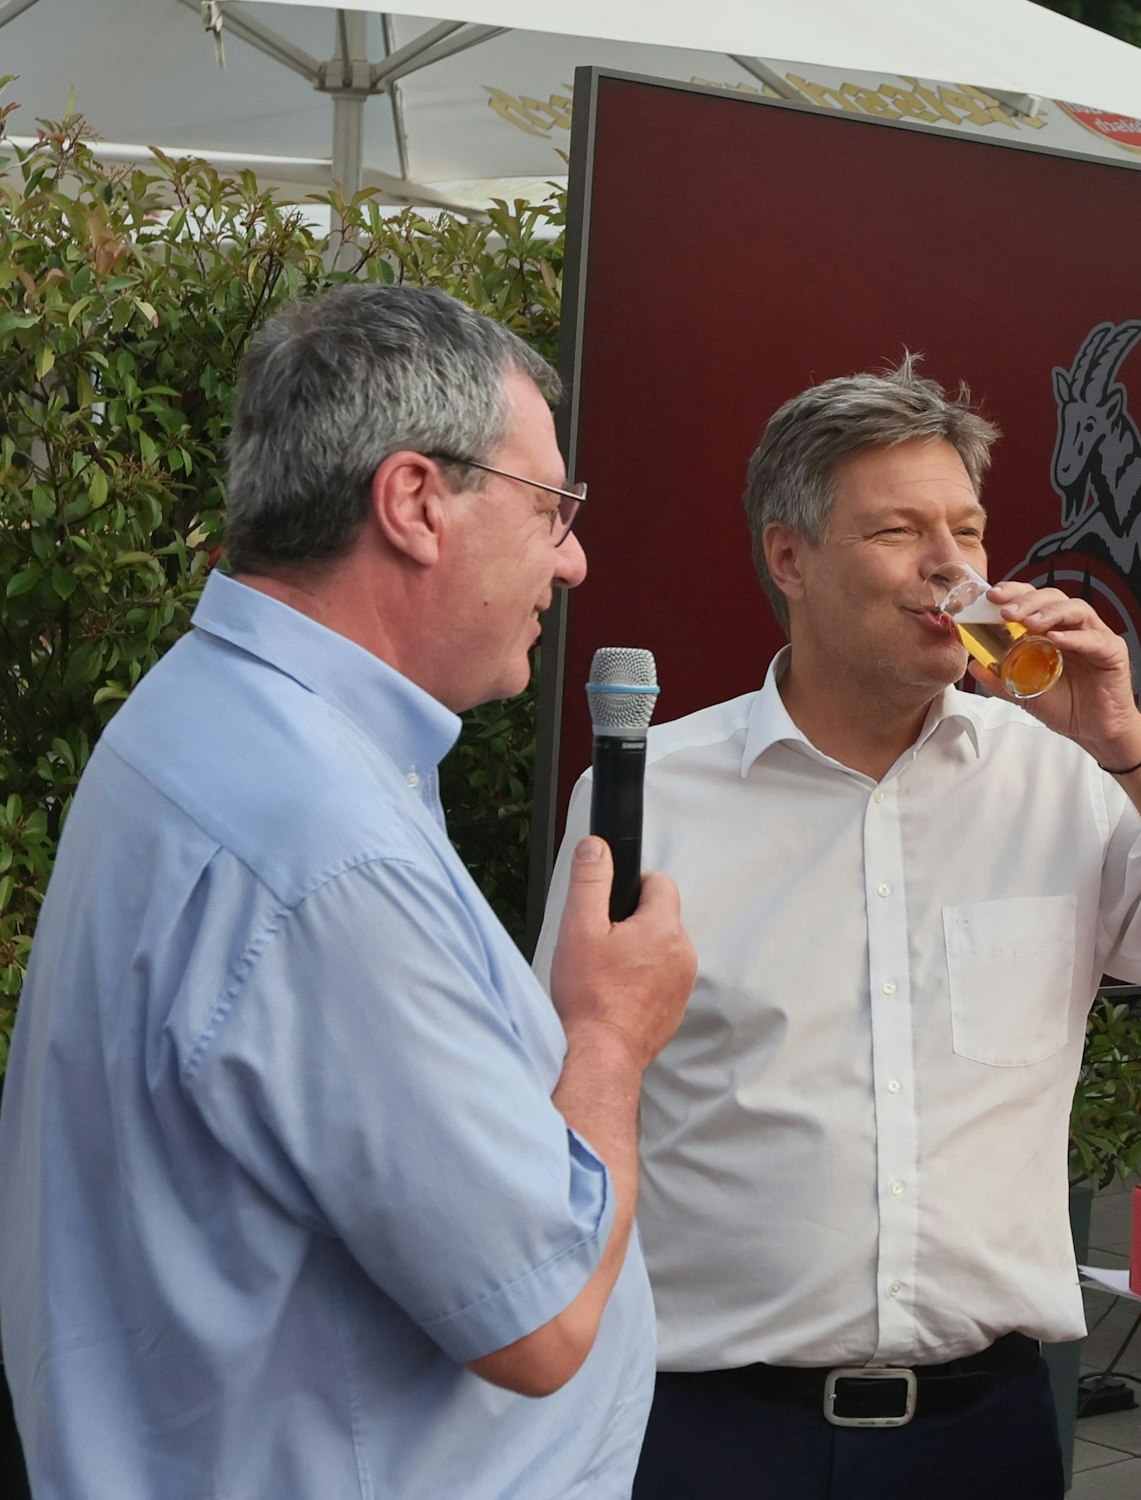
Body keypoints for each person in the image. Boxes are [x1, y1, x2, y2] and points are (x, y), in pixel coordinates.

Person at [533, 356, 1141, 1498]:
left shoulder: (1062, 778)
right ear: (789, 557)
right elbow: (567, 1090)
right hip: (708, 1430)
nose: (949, 567)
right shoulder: (653, 793)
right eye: (898, 531)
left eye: (966, 528)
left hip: (984, 1431)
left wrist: (1127, 742)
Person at [0, 285, 697, 1497]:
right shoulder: (324, 847)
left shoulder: (207, 714)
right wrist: (610, 1035)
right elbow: (536, 1325)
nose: (573, 557)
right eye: (551, 507)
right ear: (417, 502)